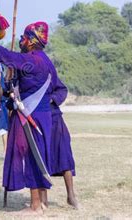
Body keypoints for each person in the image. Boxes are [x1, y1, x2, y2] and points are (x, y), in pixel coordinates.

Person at [0, 21, 56, 216]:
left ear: (31, 41)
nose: (21, 41)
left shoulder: (32, 60)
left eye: (24, 38)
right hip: (44, 116)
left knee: (32, 156)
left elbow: (8, 57)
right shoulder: (47, 61)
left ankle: (35, 205)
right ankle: (41, 202)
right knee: (40, 154)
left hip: (30, 115)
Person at [48, 77, 79, 209]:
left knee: (64, 155)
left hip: (55, 119)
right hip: (33, 120)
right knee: (40, 160)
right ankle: (42, 200)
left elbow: (62, 89)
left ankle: (71, 195)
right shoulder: (21, 73)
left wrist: (51, 99)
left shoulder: (48, 72)